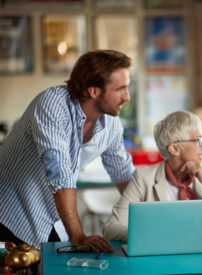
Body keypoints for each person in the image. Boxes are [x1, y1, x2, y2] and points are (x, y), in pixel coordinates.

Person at [0, 50, 135, 252]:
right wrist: (78, 236)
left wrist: (149, 222)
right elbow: (60, 173)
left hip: (50, 215)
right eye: (120, 89)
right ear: (94, 91)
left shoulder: (112, 123)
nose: (127, 96)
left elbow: (122, 172)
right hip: (9, 213)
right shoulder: (52, 104)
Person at [103, 111, 202, 242]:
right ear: (174, 149)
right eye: (199, 140)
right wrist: (148, 236)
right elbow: (111, 227)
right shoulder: (144, 178)